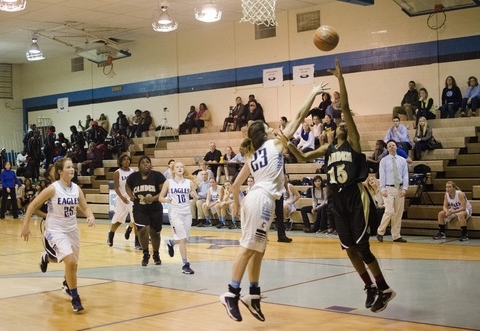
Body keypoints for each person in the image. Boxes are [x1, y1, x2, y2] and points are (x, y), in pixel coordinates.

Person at [279, 59, 396, 313]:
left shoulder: (352, 143)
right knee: (349, 249)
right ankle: (370, 287)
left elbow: (345, 108)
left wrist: (341, 78)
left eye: (345, 122)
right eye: (341, 123)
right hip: (337, 200)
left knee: (363, 247)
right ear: (333, 130)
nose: (343, 123)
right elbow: (301, 157)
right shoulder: (327, 148)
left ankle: (384, 288)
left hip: (355, 196)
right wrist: (285, 141)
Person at [220, 78, 328, 322]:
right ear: (264, 132)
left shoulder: (254, 154)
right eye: (268, 126)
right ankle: (231, 293)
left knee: (258, 249)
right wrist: (312, 92)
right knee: (249, 248)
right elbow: (300, 116)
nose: (272, 126)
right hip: (261, 199)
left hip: (258, 200)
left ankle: (253, 296)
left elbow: (236, 185)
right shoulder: (275, 143)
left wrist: (237, 205)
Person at [21, 158, 95, 313]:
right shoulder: (53, 189)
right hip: (55, 230)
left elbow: (85, 207)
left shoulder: (76, 189)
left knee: (73, 264)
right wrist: (25, 226)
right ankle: (75, 298)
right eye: (68, 167)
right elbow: (32, 206)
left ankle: (66, 283)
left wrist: (90, 216)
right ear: (60, 172)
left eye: (73, 166)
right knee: (69, 260)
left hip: (72, 231)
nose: (72, 169)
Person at [126, 156, 166, 266]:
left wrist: (153, 198)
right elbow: (127, 186)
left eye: (148, 162)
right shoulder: (133, 177)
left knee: (155, 232)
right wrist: (131, 196)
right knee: (143, 229)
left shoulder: (157, 175)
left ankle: (156, 254)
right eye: (143, 162)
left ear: (151, 164)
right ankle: (145, 253)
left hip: (155, 208)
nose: (146, 164)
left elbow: (164, 191)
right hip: (140, 208)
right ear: (139, 166)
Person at [160, 162, 198, 274]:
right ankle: (185, 264)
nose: (180, 168)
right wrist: (167, 200)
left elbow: (194, 197)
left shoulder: (189, 183)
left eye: (182, 166)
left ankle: (171, 243)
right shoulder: (168, 182)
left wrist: (195, 197)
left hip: (187, 213)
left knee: (184, 239)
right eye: (177, 167)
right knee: (183, 239)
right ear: (173, 170)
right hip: (175, 213)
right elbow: (160, 198)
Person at [377, 139, 409, 243]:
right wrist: (382, 189)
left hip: (399, 188)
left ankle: (396, 235)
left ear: (396, 147)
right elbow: (382, 176)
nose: (392, 147)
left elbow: (405, 175)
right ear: (387, 148)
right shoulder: (384, 161)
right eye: (390, 145)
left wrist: (405, 188)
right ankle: (380, 231)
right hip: (388, 188)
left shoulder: (402, 160)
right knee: (389, 211)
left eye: (393, 145)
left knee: (398, 213)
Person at [107, 154, 135, 247]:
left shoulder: (133, 172)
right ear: (121, 162)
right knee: (118, 220)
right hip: (121, 199)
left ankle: (136, 240)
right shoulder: (117, 172)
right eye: (125, 159)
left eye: (128, 159)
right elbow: (116, 187)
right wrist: (122, 197)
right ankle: (111, 234)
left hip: (131, 198)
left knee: (135, 220)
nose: (127, 161)